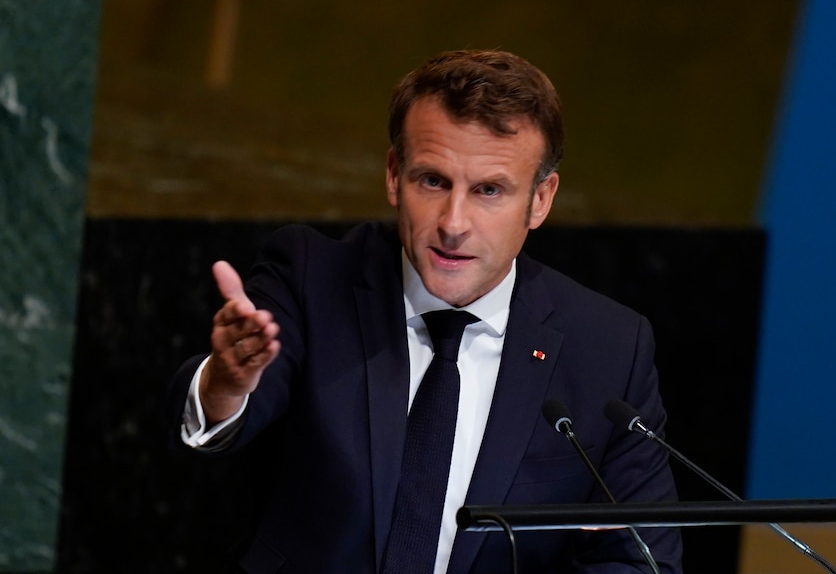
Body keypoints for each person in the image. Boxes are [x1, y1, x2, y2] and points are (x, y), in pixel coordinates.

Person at [168, 49, 683, 573]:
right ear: (394, 174)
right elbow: (229, 410)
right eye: (433, 181)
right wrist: (228, 384)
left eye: (489, 190)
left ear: (540, 199)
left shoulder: (608, 348)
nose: (453, 222)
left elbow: (640, 560)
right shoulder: (311, 277)